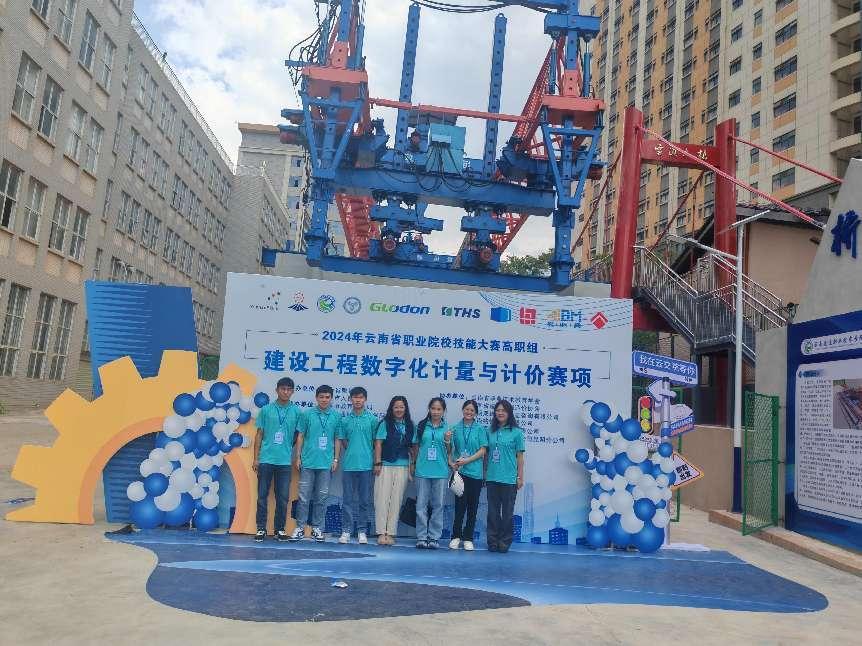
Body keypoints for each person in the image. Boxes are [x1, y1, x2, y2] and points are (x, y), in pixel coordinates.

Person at [252, 377, 301, 542]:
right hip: (266, 459)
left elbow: (298, 435)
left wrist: (288, 447)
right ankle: (261, 529)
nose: (286, 392)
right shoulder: (266, 410)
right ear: (277, 390)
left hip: (284, 462)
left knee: (283, 498)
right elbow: (259, 434)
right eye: (283, 389)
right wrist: (256, 458)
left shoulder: (296, 412)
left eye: (289, 389)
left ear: (292, 391)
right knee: (262, 496)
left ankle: (279, 529)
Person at [290, 385, 341, 541]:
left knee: (321, 498)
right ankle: (300, 528)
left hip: (326, 464)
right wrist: (298, 457)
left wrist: (336, 459)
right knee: (303, 497)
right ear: (316, 398)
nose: (324, 400)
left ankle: (317, 528)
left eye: (327, 397)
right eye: (321, 397)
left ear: (331, 398)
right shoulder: (307, 414)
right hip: (308, 462)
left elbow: (337, 439)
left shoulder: (336, 416)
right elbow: (300, 436)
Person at [337, 386, 378, 544]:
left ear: (365, 399)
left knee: (364, 501)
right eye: (355, 397)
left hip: (366, 466)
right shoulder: (345, 420)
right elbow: (343, 441)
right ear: (350, 399)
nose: (358, 400)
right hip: (349, 466)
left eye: (360, 397)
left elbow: (375, 442)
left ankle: (362, 531)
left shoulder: (372, 420)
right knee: (347, 500)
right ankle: (346, 531)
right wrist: (353, 451)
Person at [445, 399, 487, 551]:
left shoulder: (480, 429)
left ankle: (468, 538)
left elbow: (483, 450)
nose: (469, 412)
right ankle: (456, 536)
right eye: (467, 409)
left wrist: (467, 460)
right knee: (459, 507)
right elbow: (450, 450)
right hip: (460, 473)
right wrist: (447, 441)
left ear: (475, 413)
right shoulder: (455, 428)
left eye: (472, 410)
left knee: (472, 508)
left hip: (475, 474)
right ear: (463, 410)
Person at [373, 396, 414, 546]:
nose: (399, 410)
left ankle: (390, 533)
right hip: (385, 465)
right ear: (391, 408)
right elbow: (378, 443)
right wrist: (377, 463)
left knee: (396, 501)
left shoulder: (410, 425)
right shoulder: (385, 423)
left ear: (405, 409)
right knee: (382, 499)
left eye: (401, 407)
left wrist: (412, 466)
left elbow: (413, 447)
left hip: (402, 466)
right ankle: (381, 533)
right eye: (396, 407)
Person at [485, 399, 525, 553]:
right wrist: (484, 473)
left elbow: (520, 457)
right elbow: (486, 454)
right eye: (498, 410)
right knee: (492, 512)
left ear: (509, 413)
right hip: (492, 477)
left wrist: (520, 477)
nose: (500, 413)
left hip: (509, 479)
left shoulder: (517, 432)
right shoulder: (490, 431)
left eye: (503, 410)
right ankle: (492, 541)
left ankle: (505, 541)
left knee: (507, 513)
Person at [412, 397, 449, 549]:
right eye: (433, 408)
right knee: (421, 505)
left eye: (439, 409)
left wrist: (447, 441)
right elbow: (415, 446)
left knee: (438, 505)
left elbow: (450, 451)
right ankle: (421, 537)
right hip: (422, 470)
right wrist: (414, 463)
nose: (435, 412)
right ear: (429, 409)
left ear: (443, 411)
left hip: (440, 471)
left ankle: (433, 537)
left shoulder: (447, 428)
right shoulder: (421, 426)